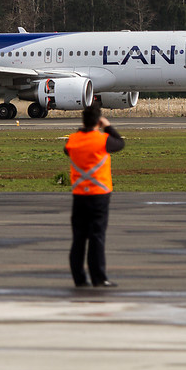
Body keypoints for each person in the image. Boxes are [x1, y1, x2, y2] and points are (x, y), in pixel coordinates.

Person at [63, 104, 125, 288]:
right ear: (98, 121)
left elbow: (68, 149)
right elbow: (120, 143)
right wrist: (107, 126)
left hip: (80, 195)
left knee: (79, 239)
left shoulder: (72, 140)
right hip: (99, 196)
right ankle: (99, 278)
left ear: (83, 121)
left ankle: (79, 279)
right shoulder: (103, 140)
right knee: (96, 237)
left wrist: (83, 129)